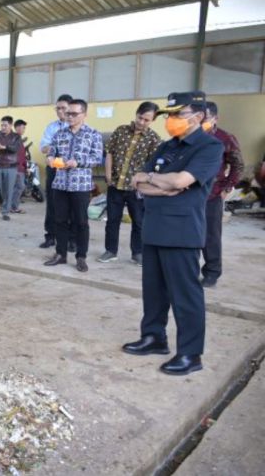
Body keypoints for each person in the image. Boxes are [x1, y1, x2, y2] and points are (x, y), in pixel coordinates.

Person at [122, 91, 223, 376]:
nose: (172, 121)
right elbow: (137, 183)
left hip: (181, 230)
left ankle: (191, 354)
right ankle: (154, 337)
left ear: (198, 116)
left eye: (179, 114)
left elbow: (181, 181)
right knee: (153, 290)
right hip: (154, 225)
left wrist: (156, 180)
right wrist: (163, 184)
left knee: (185, 295)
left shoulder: (208, 147)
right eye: (170, 115)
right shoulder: (167, 146)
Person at [97, 102, 161, 266]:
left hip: (136, 189)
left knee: (138, 221)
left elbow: (153, 165)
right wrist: (108, 174)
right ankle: (111, 251)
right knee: (112, 220)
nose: (142, 122)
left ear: (152, 120)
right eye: (140, 118)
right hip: (115, 185)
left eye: (147, 120)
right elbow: (110, 152)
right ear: (136, 114)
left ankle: (137, 253)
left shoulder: (153, 139)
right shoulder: (121, 131)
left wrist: (144, 182)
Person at [44, 99, 103, 272]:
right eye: (68, 113)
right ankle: (61, 254)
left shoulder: (93, 134)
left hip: (81, 185)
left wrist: (78, 162)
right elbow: (52, 153)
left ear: (84, 114)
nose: (69, 116)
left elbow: (97, 158)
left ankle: (81, 257)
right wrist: (50, 159)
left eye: (74, 113)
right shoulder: (59, 134)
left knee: (81, 222)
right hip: (60, 184)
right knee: (60, 220)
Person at [200, 101, 244, 288]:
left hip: (212, 195)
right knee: (189, 234)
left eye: (206, 117)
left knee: (211, 236)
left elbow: (238, 165)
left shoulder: (225, 138)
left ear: (215, 118)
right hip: (189, 194)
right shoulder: (190, 136)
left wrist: (227, 187)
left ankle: (212, 272)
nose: (202, 121)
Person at [39, 94, 75, 250]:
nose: (60, 111)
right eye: (58, 108)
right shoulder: (52, 127)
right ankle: (50, 236)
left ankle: (71, 239)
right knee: (52, 204)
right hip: (54, 168)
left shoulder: (77, 127)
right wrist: (53, 149)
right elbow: (44, 147)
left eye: (64, 108)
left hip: (72, 170)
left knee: (72, 205)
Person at [10, 119, 28, 214]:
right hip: (16, 167)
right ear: (17, 127)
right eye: (22, 127)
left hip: (20, 167)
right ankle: (13, 207)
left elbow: (22, 155)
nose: (24, 129)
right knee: (20, 186)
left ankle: (11, 206)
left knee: (16, 187)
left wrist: (25, 167)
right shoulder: (13, 138)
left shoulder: (18, 139)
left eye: (24, 128)